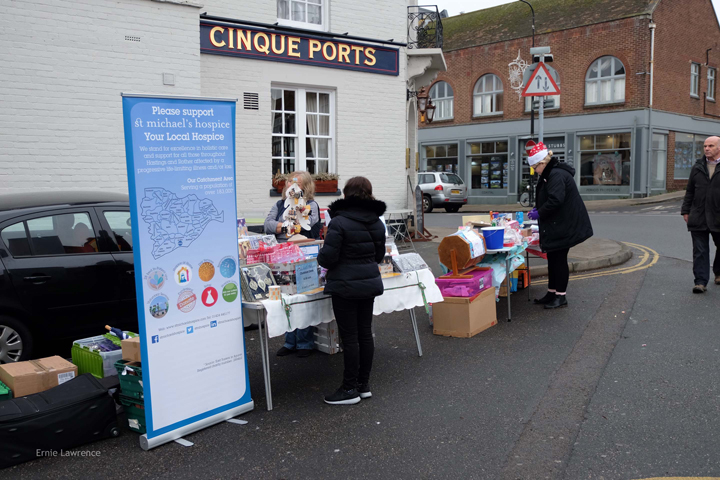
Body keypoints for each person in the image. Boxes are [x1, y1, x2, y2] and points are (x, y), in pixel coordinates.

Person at [317, 177, 386, 405]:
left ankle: (349, 389)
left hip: (345, 285)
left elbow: (327, 258)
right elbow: (378, 256)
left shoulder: (339, 222)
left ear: (346, 194)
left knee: (351, 337)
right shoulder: (377, 221)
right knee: (365, 333)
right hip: (367, 283)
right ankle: (363, 385)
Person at [527, 142, 593, 309]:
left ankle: (560, 297)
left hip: (564, 225)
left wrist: (539, 212)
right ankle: (552, 293)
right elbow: (550, 197)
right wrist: (539, 207)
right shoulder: (551, 173)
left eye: (535, 167)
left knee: (559, 260)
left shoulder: (555, 175)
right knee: (553, 260)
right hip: (559, 223)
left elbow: (556, 200)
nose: (535, 171)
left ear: (542, 163)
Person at [264, 171, 321, 358]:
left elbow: (305, 225)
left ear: (305, 187)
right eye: (288, 182)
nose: (290, 185)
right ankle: (290, 341)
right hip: (282, 255)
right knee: (285, 297)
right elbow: (267, 225)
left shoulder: (312, 205)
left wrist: (284, 225)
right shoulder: (279, 204)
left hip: (303, 253)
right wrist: (286, 226)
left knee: (302, 296)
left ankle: (305, 342)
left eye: (295, 183)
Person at [680, 135, 720, 293]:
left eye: (710, 146)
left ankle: (718, 272)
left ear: (718, 148)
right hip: (699, 215)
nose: (707, 149)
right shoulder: (697, 167)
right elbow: (690, 190)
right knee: (700, 251)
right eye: (705, 146)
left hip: (718, 215)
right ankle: (700, 281)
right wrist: (685, 210)